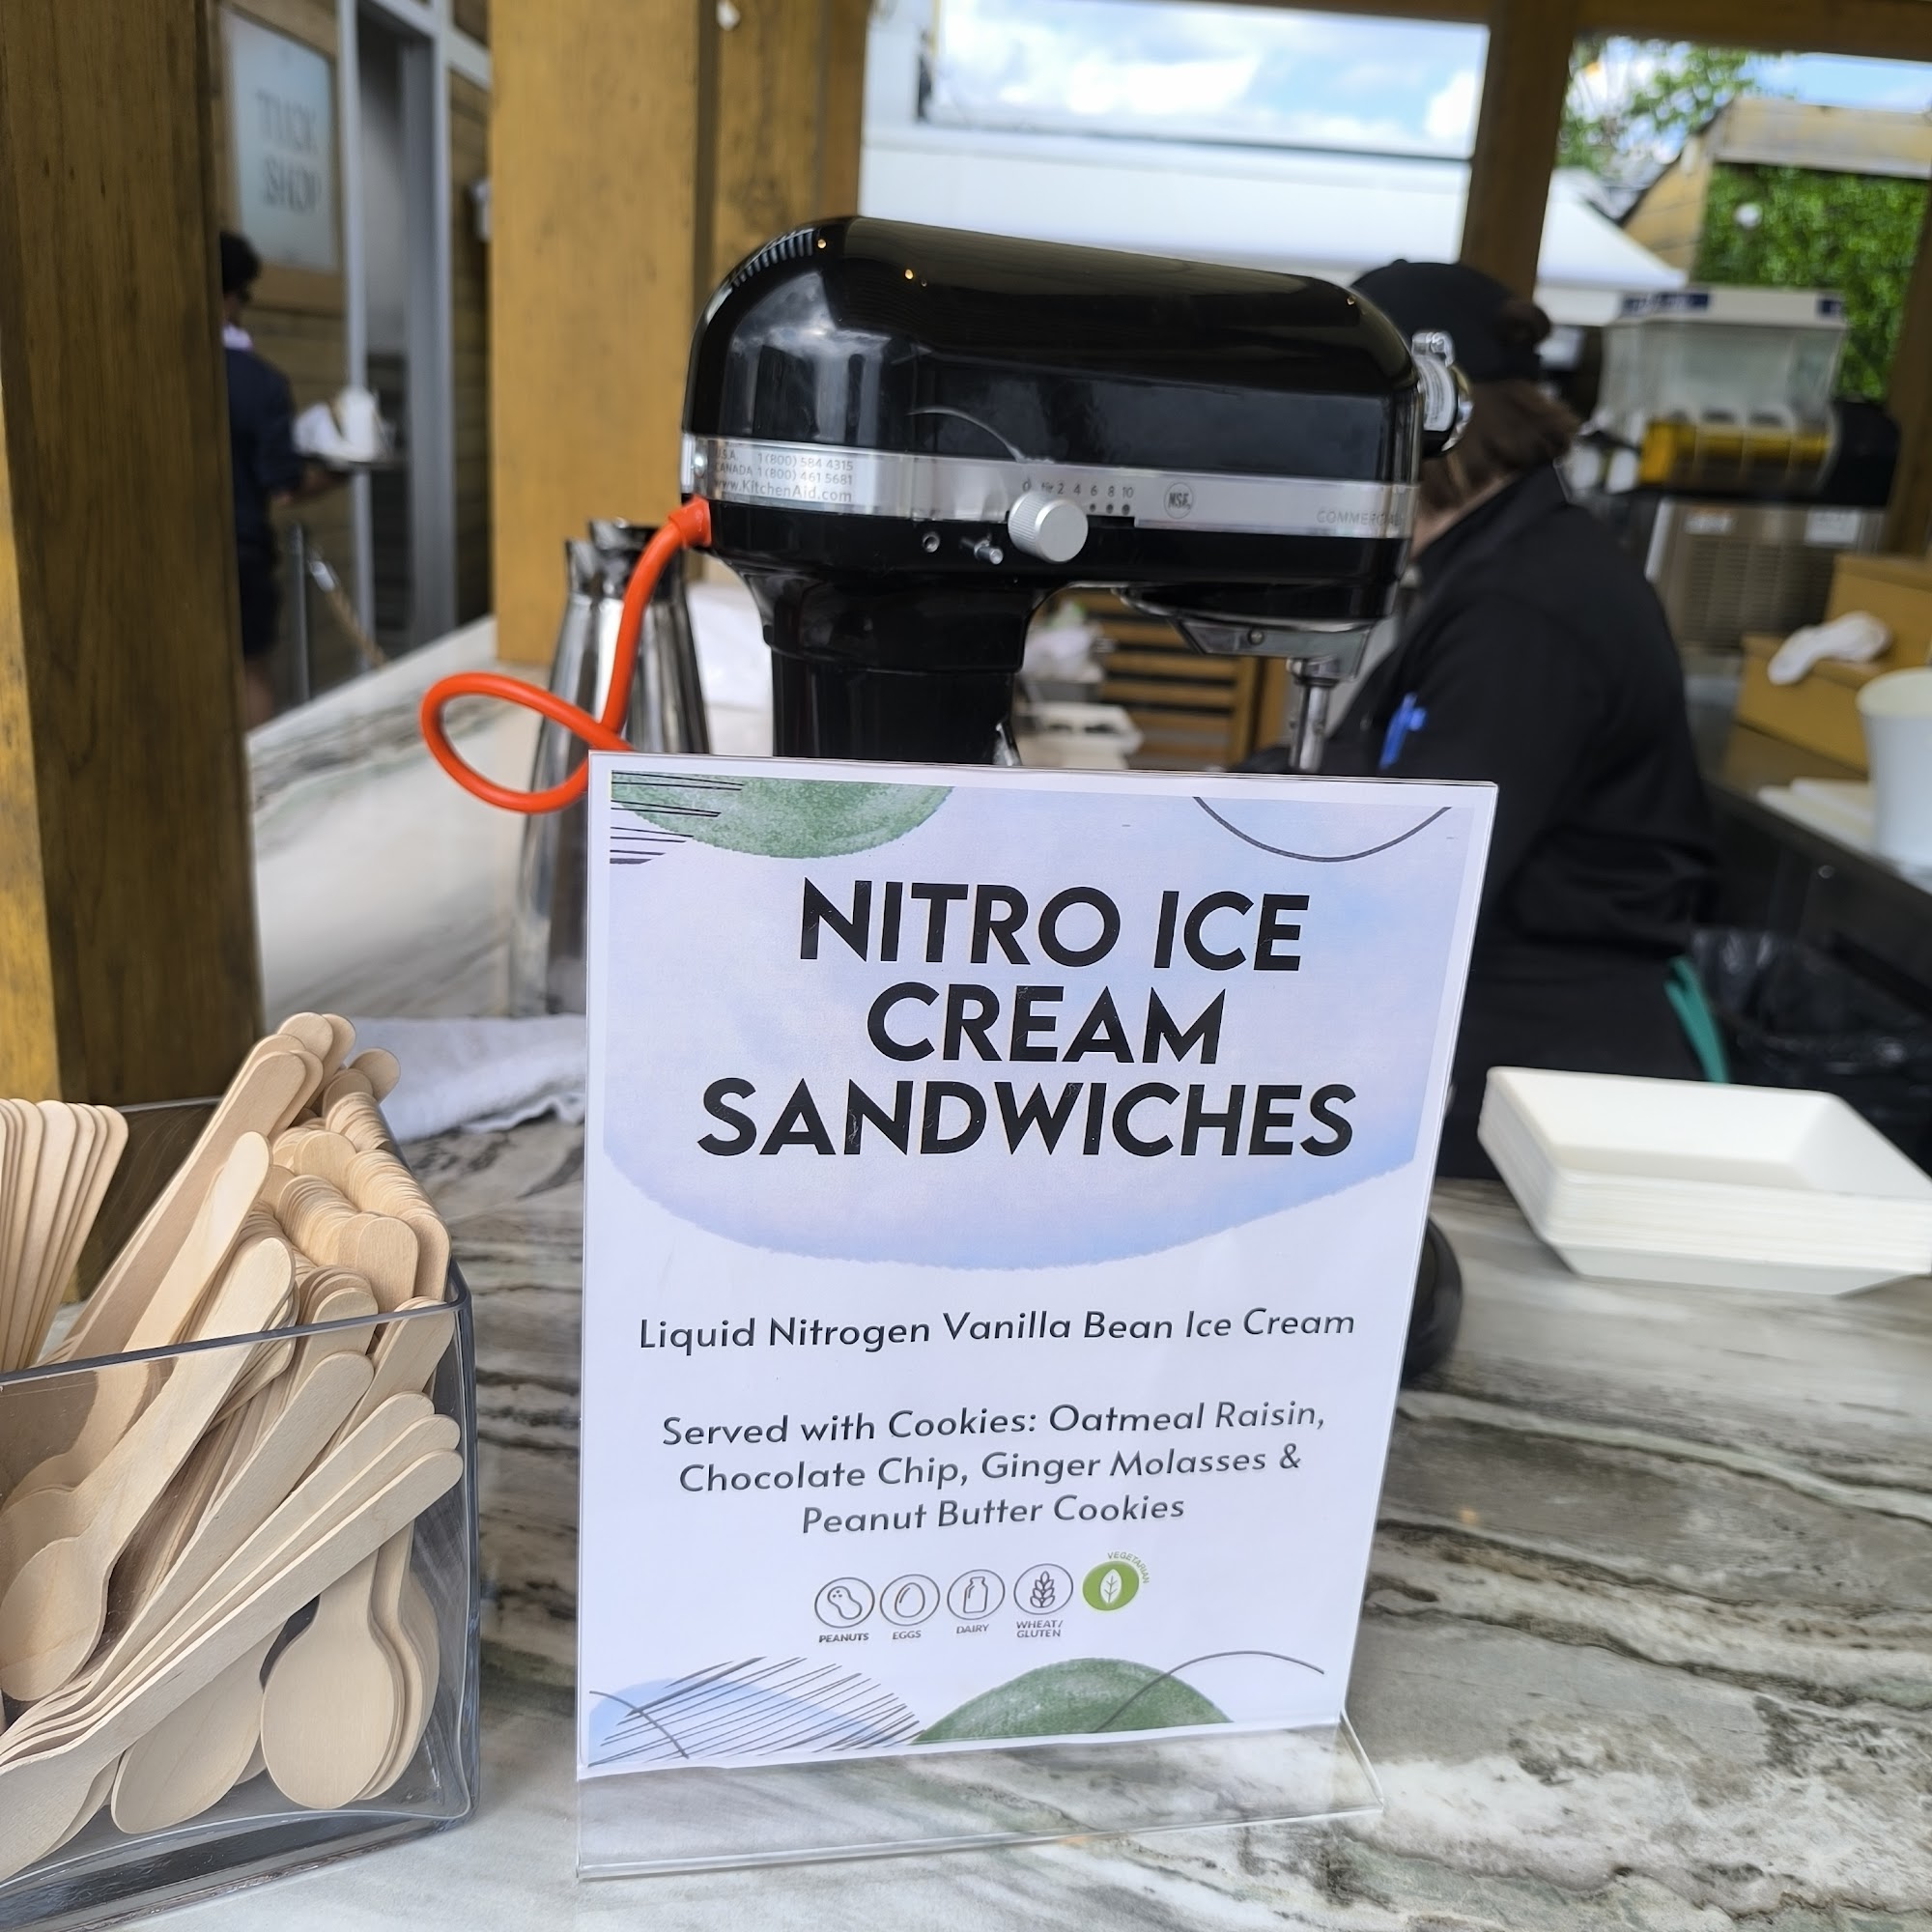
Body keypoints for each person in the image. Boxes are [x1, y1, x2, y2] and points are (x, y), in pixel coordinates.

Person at [1289, 261, 1717, 1178]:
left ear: (1429, 426)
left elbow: (1421, 876)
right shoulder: (1497, 566)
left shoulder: (1524, 609)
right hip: (1513, 1045)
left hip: (1546, 1086)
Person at [220, 231, 333, 725]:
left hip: (159, 553)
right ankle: (258, 775)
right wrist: (338, 473)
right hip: (240, 550)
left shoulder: (145, 370)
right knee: (250, 673)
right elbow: (284, 487)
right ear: (228, 295)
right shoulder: (258, 382)